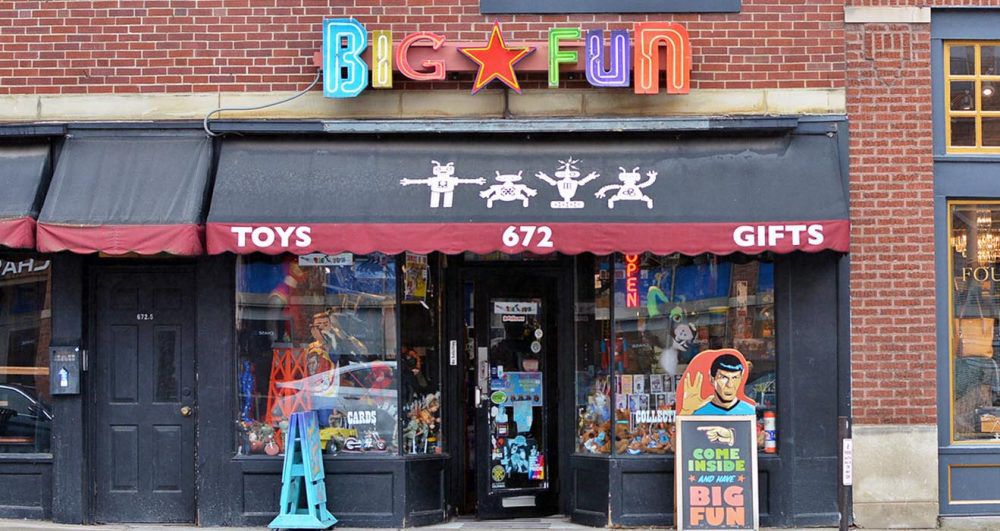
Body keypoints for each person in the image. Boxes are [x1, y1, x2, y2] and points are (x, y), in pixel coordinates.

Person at [680, 353, 755, 416]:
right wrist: (686, 411)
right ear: (712, 379)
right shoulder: (698, 413)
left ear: (741, 378)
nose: (730, 384)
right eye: (723, 377)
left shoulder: (750, 411)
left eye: (735, 377)